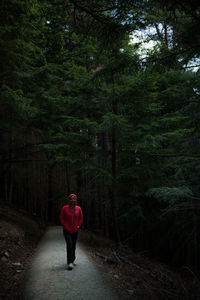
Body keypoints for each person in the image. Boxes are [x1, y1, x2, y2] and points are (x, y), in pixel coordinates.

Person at [60, 193, 83, 270]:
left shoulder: (78, 208)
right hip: (66, 230)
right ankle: (70, 262)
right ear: (69, 200)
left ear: (75, 200)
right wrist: (65, 226)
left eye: (74, 198)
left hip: (75, 230)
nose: (72, 200)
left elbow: (81, 218)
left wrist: (78, 225)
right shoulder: (64, 208)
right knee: (69, 244)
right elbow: (61, 218)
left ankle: (72, 260)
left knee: (73, 245)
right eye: (71, 198)